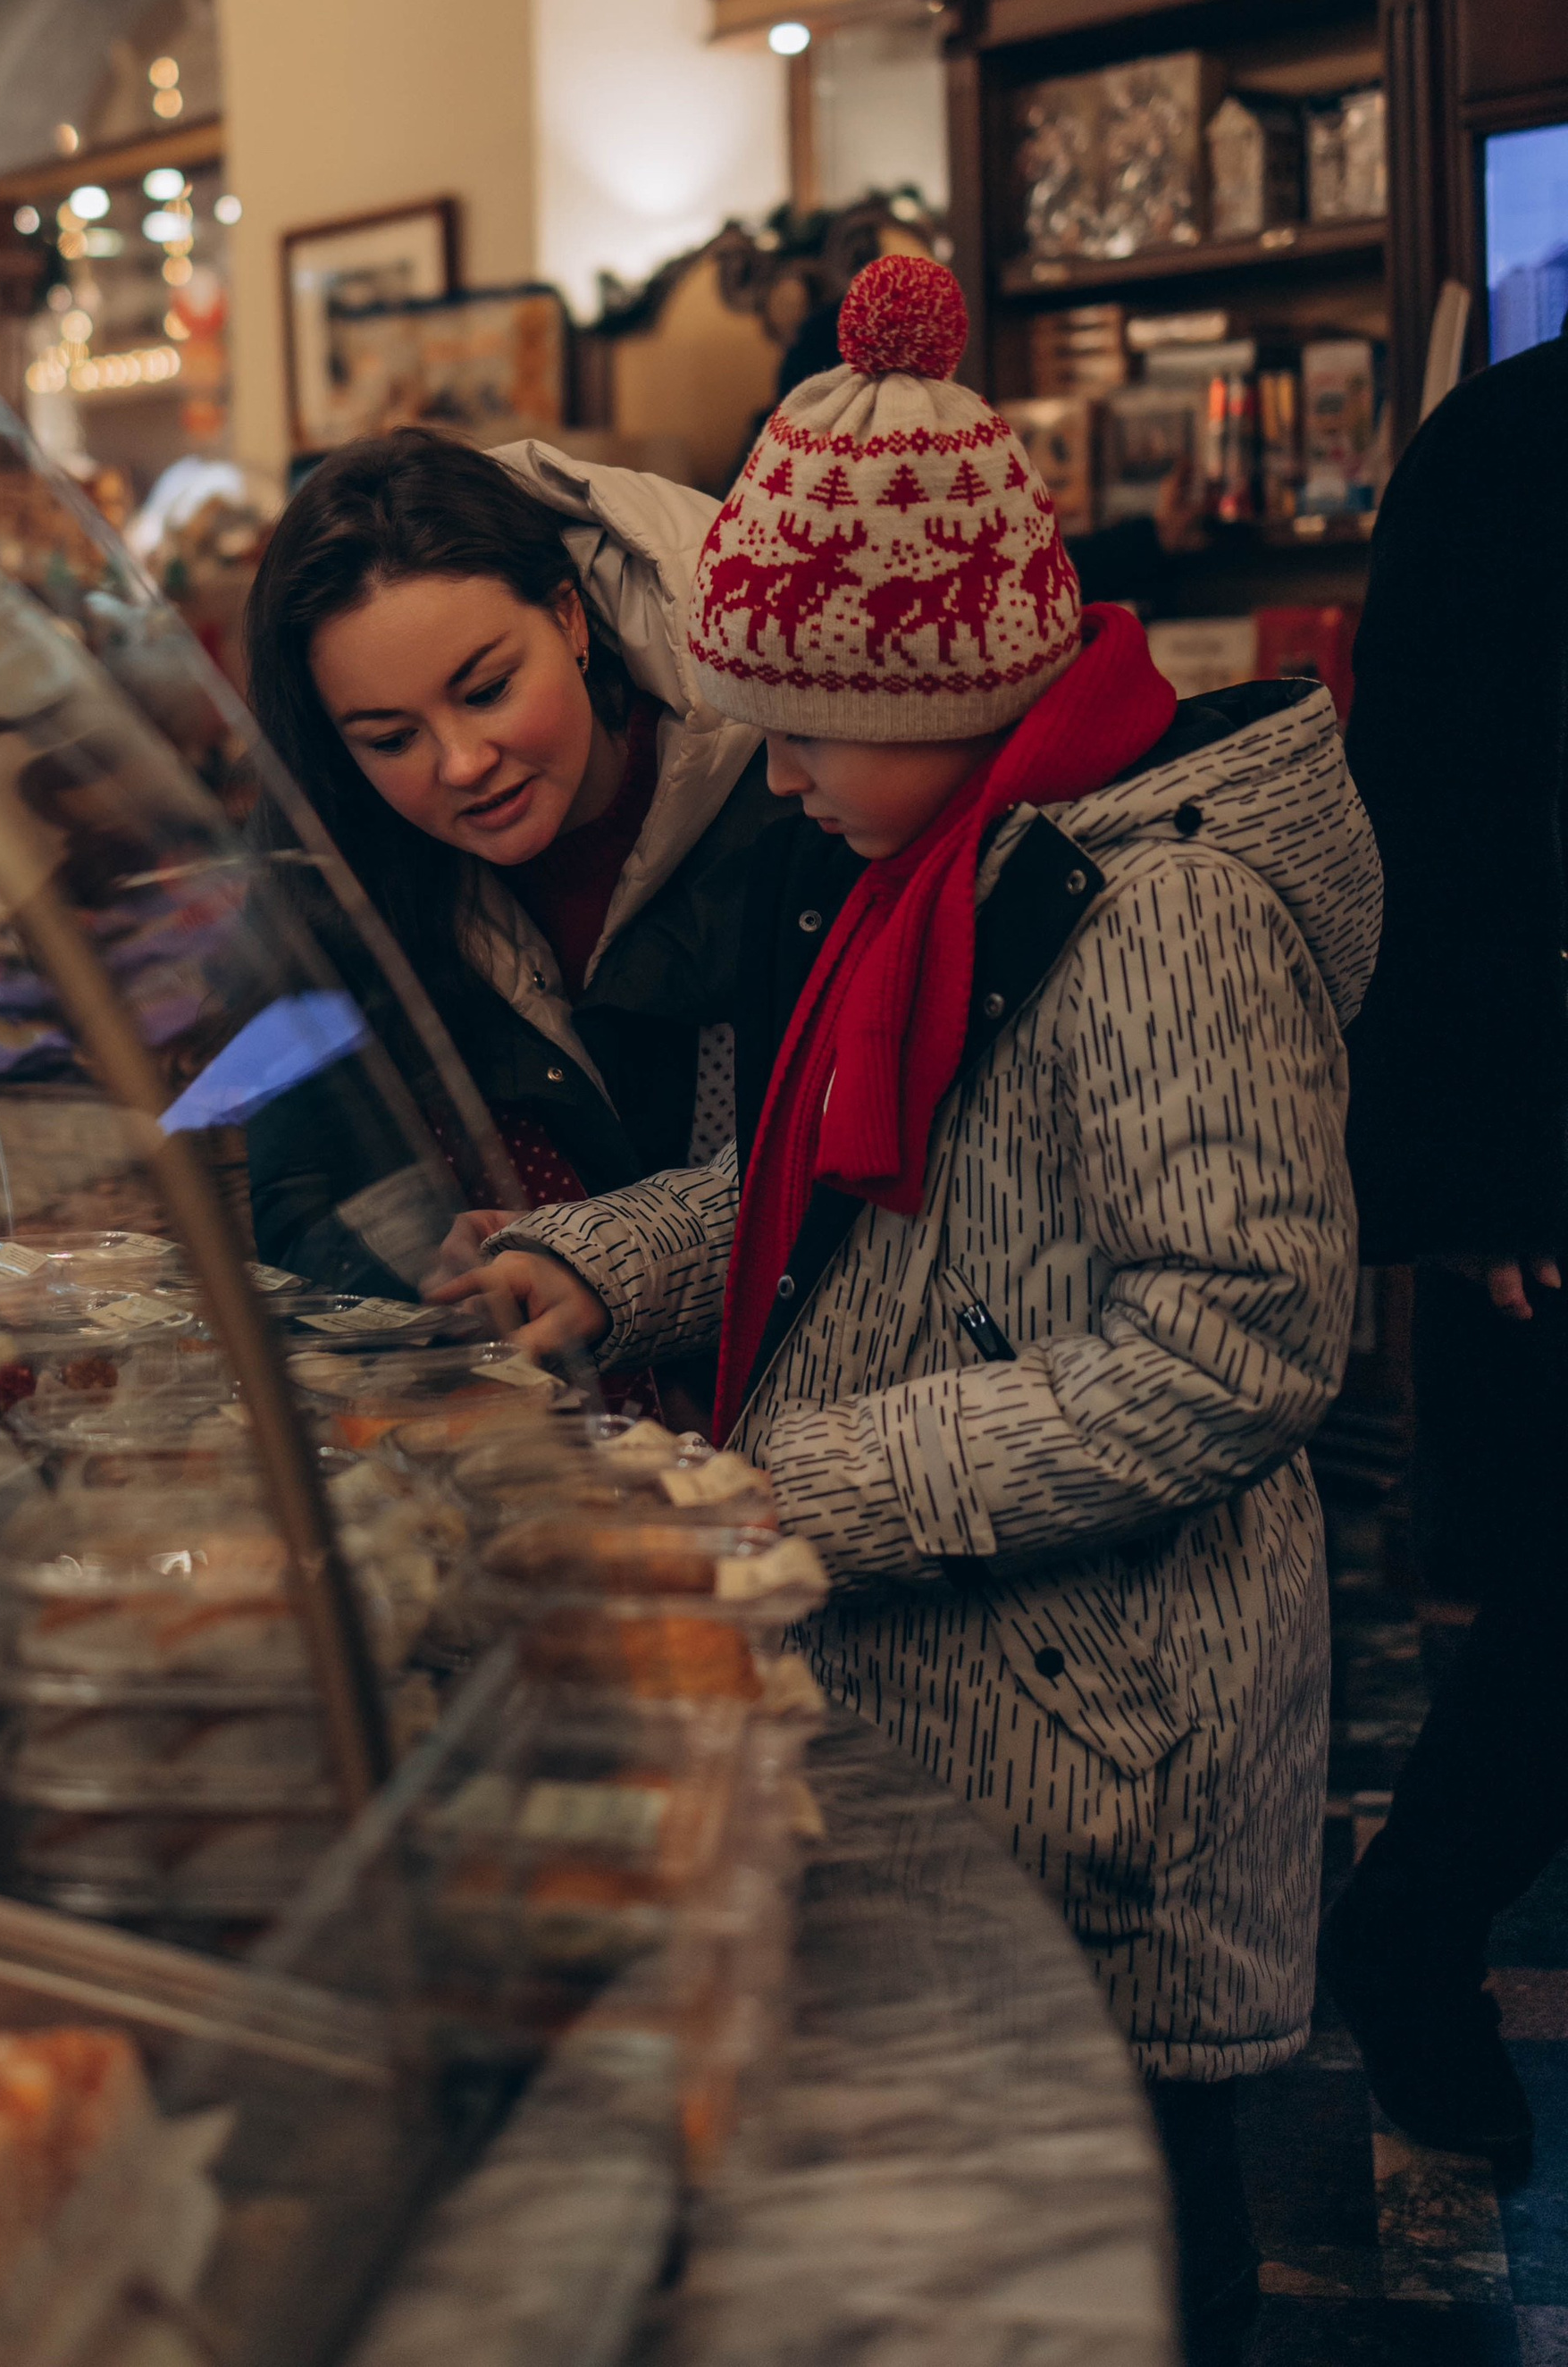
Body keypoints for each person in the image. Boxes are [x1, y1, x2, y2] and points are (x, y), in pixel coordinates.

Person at [435, 255, 1379, 2366]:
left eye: (795, 734)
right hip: (985, 1674)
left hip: (1103, 1717)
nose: (764, 781)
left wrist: (800, 1480)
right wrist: (603, 1262)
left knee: (1125, 2244)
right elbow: (860, 1206)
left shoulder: (1161, 915)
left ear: (922, 695)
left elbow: (1232, 1339)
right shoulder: (947, 866)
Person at [239, 427, 790, 1297]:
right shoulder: (333, 866)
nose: (460, 763)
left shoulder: (792, 786)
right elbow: (305, 1201)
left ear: (569, 618)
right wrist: (420, 1261)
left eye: (487, 690)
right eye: (390, 739)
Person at [1316, 329, 1568, 2183]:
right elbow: (1437, 836)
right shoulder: (1506, 449)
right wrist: (1507, 1173)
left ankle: (1410, 1928)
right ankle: (1411, 1931)